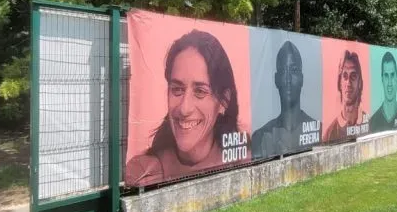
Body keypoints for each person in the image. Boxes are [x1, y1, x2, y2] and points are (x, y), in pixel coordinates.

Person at [127, 30, 247, 185]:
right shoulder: (144, 172)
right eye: (177, 89)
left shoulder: (244, 158)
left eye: (200, 91)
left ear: (224, 101)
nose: (184, 109)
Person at [252, 41, 320, 158]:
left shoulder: (319, 130)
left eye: (294, 70)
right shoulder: (260, 137)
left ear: (301, 78)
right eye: (283, 71)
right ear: (276, 79)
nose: (288, 79)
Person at [323, 50, 368, 142]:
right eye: (345, 76)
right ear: (339, 83)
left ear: (360, 83)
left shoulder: (370, 123)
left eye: (353, 76)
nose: (348, 83)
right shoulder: (329, 135)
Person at [369, 51, 397, 132]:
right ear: (382, 79)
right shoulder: (372, 122)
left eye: (392, 75)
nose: (389, 83)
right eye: (386, 75)